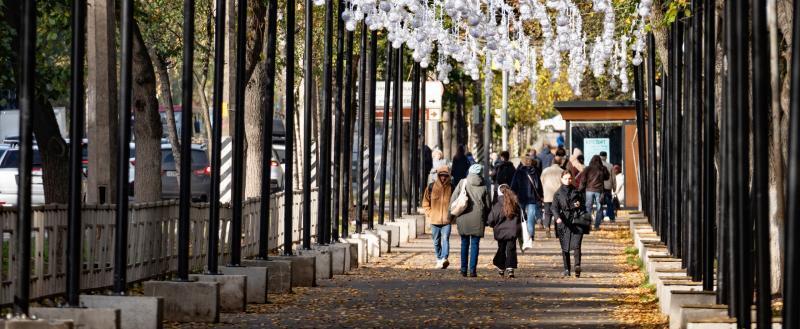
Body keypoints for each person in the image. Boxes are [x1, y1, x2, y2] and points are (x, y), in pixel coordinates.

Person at [450, 164, 492, 277]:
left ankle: (463, 269)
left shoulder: (462, 182)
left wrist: (451, 214)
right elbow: (488, 205)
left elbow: (453, 199)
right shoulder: (483, 186)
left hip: (463, 217)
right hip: (478, 218)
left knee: (464, 243)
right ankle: (472, 270)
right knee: (475, 244)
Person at [551, 170, 589, 277]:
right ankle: (567, 269)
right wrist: (557, 217)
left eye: (570, 178)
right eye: (566, 178)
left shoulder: (576, 191)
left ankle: (577, 266)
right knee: (565, 246)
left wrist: (579, 204)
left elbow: (583, 204)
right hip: (564, 222)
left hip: (577, 220)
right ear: (562, 179)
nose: (568, 180)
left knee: (577, 245)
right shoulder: (557, 194)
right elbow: (554, 207)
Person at [422, 165, 454, 269]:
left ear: (448, 176)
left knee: (445, 239)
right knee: (436, 241)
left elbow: (456, 203)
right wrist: (429, 213)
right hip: (434, 220)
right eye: (441, 175)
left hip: (447, 220)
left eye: (445, 175)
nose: (443, 177)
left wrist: (452, 216)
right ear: (438, 175)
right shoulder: (431, 187)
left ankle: (444, 258)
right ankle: (439, 259)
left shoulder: (452, 187)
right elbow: (425, 202)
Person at [487, 184, 522, 278]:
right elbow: (523, 216)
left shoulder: (497, 206)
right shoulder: (515, 204)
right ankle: (510, 268)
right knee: (511, 249)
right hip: (513, 231)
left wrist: (492, 225)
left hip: (500, 232)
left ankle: (501, 267)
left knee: (501, 248)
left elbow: (491, 220)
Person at [510, 156, 543, 242]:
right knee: (531, 217)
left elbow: (513, 186)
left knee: (521, 216)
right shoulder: (535, 172)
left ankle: (521, 234)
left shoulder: (518, 172)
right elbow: (538, 185)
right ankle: (530, 235)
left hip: (521, 197)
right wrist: (541, 195)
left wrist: (514, 194)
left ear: (522, 162)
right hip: (532, 198)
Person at [581, 155, 610, 229]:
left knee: (588, 208)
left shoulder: (587, 169)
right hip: (599, 191)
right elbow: (607, 177)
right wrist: (603, 169)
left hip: (589, 191)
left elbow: (583, 179)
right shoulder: (602, 168)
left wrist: (580, 188)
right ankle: (597, 225)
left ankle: (588, 225)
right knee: (599, 208)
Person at [541, 156, 564, 238]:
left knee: (547, 213)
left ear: (552, 162)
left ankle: (547, 227)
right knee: (557, 214)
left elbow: (541, 182)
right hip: (558, 196)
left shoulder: (545, 171)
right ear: (560, 162)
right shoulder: (562, 171)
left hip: (547, 195)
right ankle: (557, 232)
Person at [598, 151, 617, 223]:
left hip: (599, 187)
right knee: (609, 202)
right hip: (608, 187)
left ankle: (600, 217)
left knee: (599, 202)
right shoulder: (610, 166)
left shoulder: (597, 166)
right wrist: (614, 187)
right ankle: (611, 216)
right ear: (606, 157)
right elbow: (613, 178)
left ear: (599, 157)